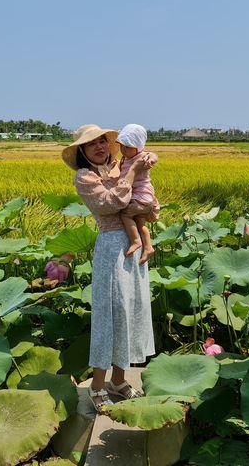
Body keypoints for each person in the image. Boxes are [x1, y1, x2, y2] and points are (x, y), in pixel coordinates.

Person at [61, 124, 158, 411]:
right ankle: (98, 385)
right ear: (82, 151)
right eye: (93, 144)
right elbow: (110, 203)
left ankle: (119, 380)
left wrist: (146, 199)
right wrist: (131, 174)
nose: (101, 146)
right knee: (110, 314)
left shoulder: (120, 166)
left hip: (135, 245)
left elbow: (150, 208)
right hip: (111, 249)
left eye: (103, 141)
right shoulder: (85, 177)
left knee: (132, 310)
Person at [115, 124, 156, 265]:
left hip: (141, 196)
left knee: (125, 214)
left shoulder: (142, 157)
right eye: (122, 146)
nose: (123, 150)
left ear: (138, 147)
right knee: (140, 223)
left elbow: (153, 155)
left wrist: (151, 159)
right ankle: (148, 247)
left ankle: (135, 241)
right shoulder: (125, 160)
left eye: (128, 147)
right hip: (143, 199)